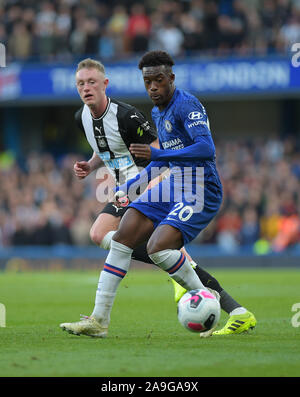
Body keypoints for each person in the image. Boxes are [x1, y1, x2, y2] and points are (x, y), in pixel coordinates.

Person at [60, 54, 256, 338]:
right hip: (174, 181)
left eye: (158, 80)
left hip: (200, 186)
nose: (152, 87)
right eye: (147, 82)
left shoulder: (186, 105)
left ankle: (208, 300)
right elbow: (160, 161)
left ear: (171, 79)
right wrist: (132, 187)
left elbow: (206, 149)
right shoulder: (157, 112)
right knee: (124, 235)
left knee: (158, 248)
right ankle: (99, 320)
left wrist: (160, 154)